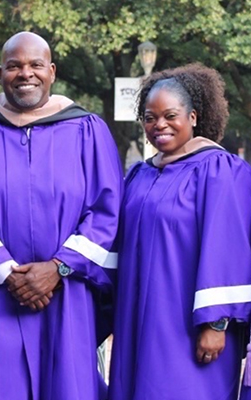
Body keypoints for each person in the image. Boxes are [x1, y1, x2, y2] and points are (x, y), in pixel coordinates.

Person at [0, 31, 123, 400]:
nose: (25, 73)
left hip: (66, 295)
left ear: (52, 72)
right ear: (0, 73)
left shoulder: (88, 130)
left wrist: (58, 267)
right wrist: (6, 273)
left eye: (35, 65)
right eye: (14, 66)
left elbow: (107, 209)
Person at [108, 63, 251, 400]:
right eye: (150, 117)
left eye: (170, 115)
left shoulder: (220, 170)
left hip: (189, 328)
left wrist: (215, 324)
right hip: (136, 323)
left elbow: (228, 248)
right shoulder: (140, 174)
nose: (159, 125)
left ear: (194, 117)